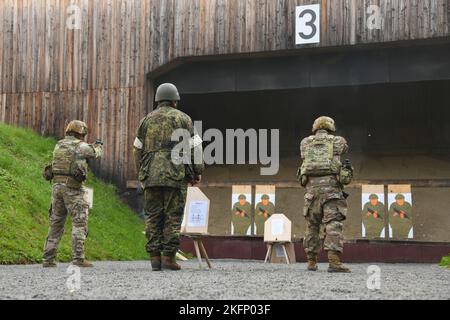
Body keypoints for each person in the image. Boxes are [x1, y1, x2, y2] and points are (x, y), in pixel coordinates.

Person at [133, 83, 204, 271]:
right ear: (175, 100)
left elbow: (137, 149)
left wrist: (141, 173)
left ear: (157, 99)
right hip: (176, 174)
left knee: (153, 216)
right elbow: (195, 147)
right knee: (173, 216)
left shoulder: (145, 121)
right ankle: (169, 259)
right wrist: (197, 172)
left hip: (151, 176)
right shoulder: (184, 119)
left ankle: (154, 258)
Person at [43, 120, 103, 268]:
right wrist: (98, 145)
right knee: (79, 223)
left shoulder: (59, 145)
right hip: (74, 189)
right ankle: (78, 258)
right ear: (81, 133)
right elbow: (95, 153)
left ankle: (48, 259)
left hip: (57, 187)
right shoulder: (80, 146)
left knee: (56, 223)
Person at [298, 116, 353, 273]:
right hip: (332, 192)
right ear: (331, 127)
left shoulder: (305, 143)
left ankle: (311, 262)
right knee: (333, 225)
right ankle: (334, 262)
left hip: (311, 192)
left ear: (315, 127)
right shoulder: (338, 141)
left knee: (312, 226)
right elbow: (345, 149)